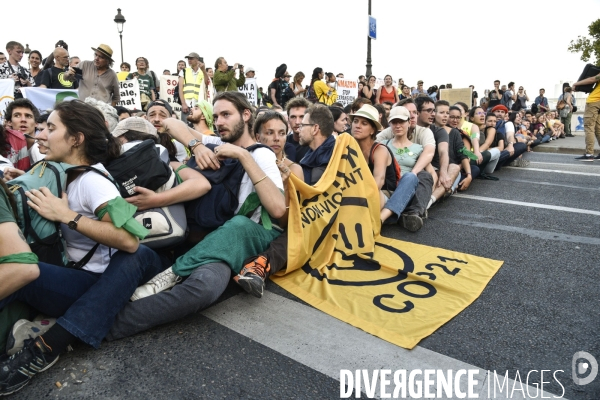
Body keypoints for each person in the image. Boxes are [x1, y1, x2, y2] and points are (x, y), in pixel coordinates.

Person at [0, 100, 165, 396]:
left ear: (76, 139)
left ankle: (43, 350)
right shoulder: (70, 174)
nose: (41, 134)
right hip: (80, 279)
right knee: (21, 274)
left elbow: (129, 240)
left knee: (138, 255)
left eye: (51, 128)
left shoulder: (92, 181)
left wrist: (68, 216)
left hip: (101, 282)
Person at [106, 91, 286, 340]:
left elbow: (278, 209)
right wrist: (197, 145)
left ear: (246, 115)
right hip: (200, 236)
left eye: (226, 114)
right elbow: (170, 123)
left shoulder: (260, 153)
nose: (220, 121)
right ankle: (98, 316)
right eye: (217, 116)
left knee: (205, 286)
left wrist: (243, 156)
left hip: (238, 239)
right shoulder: (214, 141)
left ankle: (113, 322)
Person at [350, 105, 401, 210]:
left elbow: (379, 181)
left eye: (364, 123)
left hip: (384, 195)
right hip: (361, 192)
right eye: (355, 121)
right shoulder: (351, 148)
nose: (357, 126)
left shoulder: (380, 150)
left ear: (372, 130)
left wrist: (356, 199)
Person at [1, 99, 38, 171]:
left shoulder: (42, 149)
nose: (23, 119)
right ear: (9, 122)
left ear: (36, 123)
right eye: (17, 115)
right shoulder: (4, 150)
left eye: (28, 116)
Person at [572, 73, 600, 160]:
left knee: (589, 127)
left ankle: (589, 154)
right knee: (598, 128)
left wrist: (576, 84)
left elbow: (593, 79)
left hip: (594, 101)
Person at [178, 52, 208, 124]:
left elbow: (206, 83)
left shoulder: (202, 71)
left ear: (197, 60)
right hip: (187, 103)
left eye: (191, 58)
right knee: (185, 127)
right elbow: (180, 89)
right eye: (188, 59)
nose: (189, 60)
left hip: (199, 104)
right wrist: (183, 103)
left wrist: (204, 70)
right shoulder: (184, 71)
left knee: (198, 126)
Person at [284, 97, 312, 162]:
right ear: (288, 119)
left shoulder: (315, 144)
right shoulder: (283, 143)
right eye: (293, 117)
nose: (297, 122)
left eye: (302, 117)